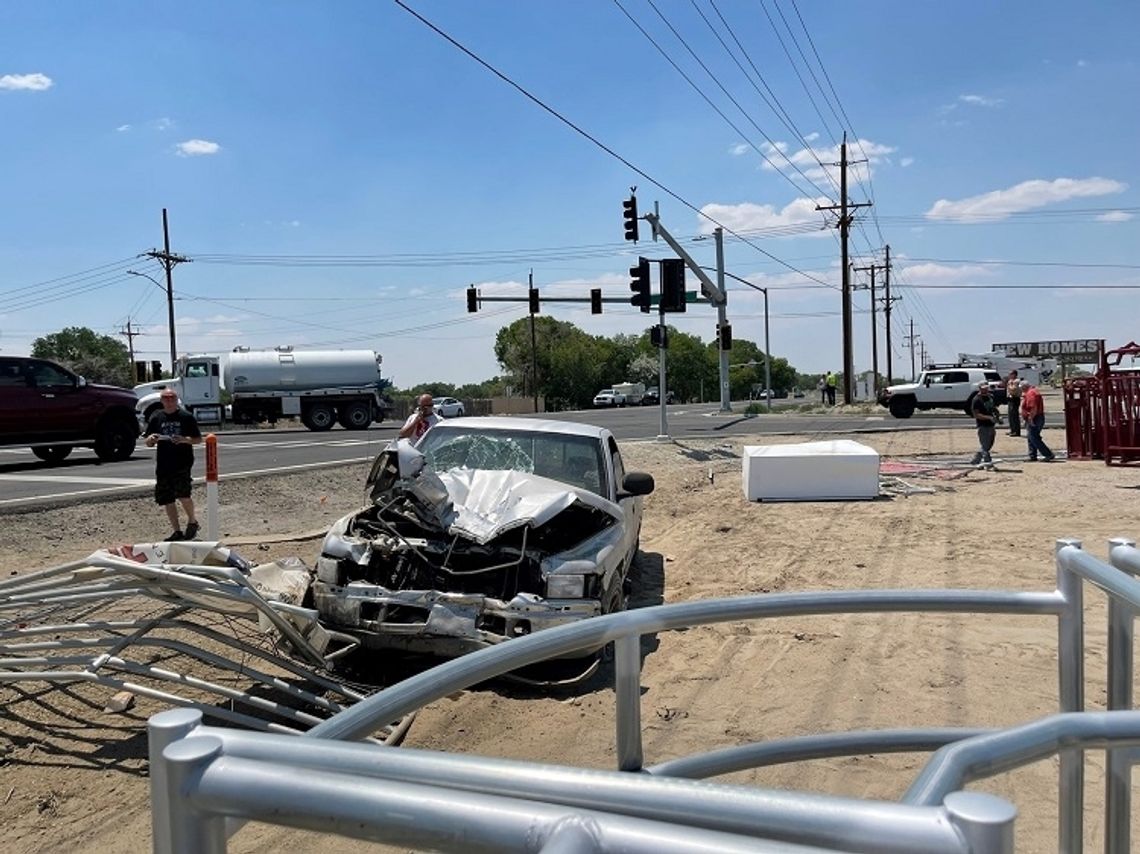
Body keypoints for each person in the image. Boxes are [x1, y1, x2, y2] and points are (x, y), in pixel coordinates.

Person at [144, 389, 203, 541]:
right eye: (166, 398)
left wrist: (184, 440)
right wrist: (151, 439)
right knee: (167, 498)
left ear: (177, 400)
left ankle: (192, 521)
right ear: (161, 401)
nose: (169, 401)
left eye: (172, 398)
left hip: (182, 462)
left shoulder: (186, 417)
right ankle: (177, 531)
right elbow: (148, 441)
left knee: (183, 495)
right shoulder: (157, 417)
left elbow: (197, 439)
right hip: (164, 463)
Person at [1019, 379, 1055, 462]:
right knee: (1031, 437)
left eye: (1021, 388)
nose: (1021, 390)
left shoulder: (1030, 393)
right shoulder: (1033, 392)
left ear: (1024, 387)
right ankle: (1032, 455)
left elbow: (1033, 407)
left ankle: (1048, 454)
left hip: (1035, 417)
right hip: (1037, 417)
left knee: (1033, 437)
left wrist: (1031, 418)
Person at [970, 381, 998, 468]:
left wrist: (997, 416)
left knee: (988, 445)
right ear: (980, 389)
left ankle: (976, 460)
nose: (985, 390)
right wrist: (988, 417)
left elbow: (994, 408)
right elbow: (976, 414)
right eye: (983, 388)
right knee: (985, 445)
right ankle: (988, 463)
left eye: (986, 388)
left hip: (991, 425)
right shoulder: (976, 400)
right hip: (982, 425)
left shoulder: (990, 397)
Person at [1005, 370, 1022, 437]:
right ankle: (1012, 430)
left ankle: (1016, 431)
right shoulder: (1010, 381)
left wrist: (1009, 385)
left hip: (1015, 399)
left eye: (1011, 374)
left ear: (1014, 374)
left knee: (1014, 415)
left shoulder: (1016, 381)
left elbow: (1013, 390)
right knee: (1010, 415)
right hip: (1010, 399)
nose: (1009, 375)